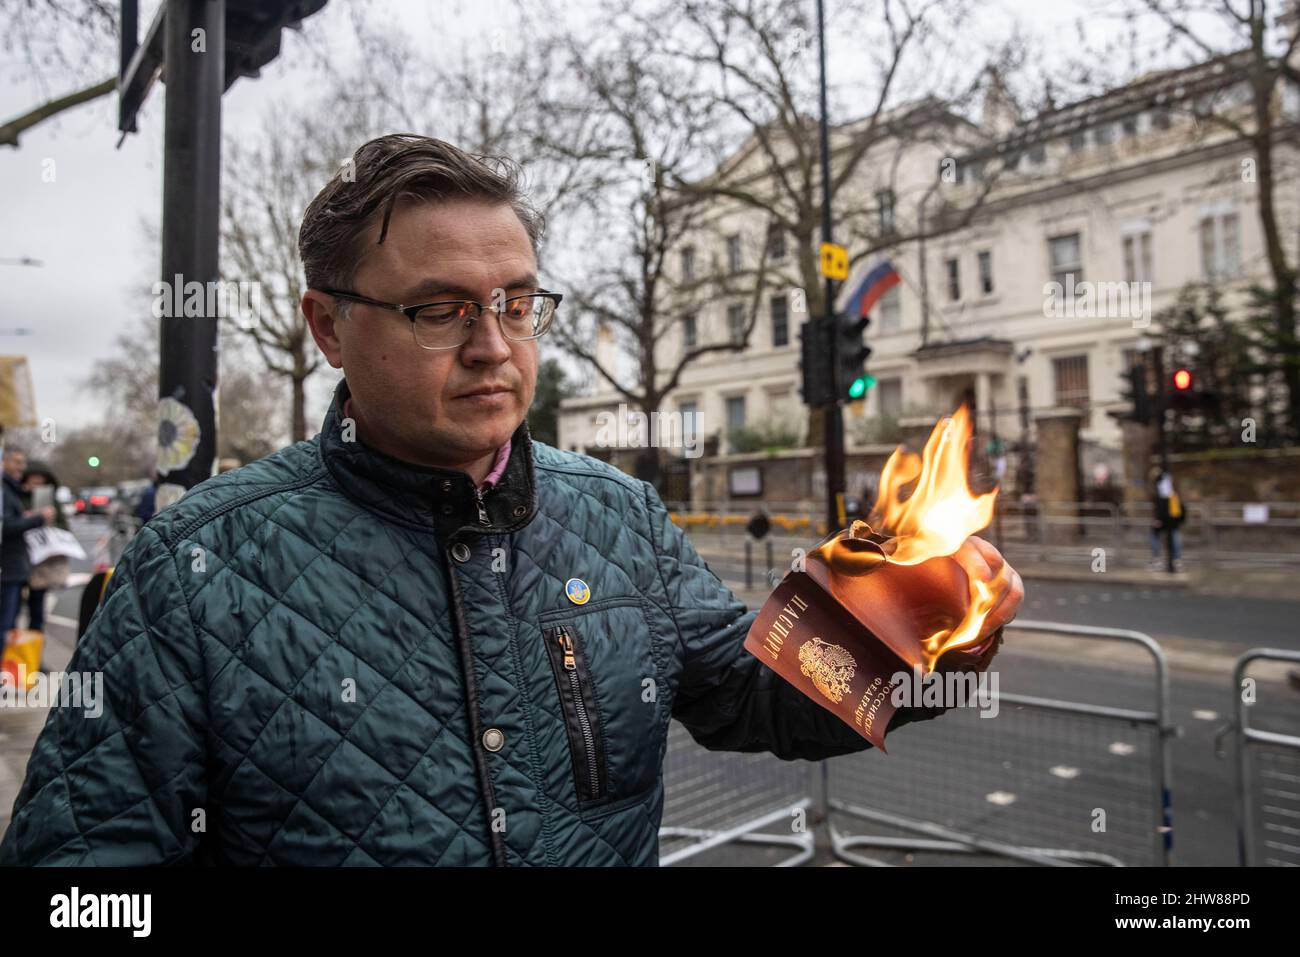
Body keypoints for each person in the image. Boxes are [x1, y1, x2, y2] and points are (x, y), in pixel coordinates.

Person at [0, 135, 1022, 866]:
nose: (494, 345)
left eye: (518, 304)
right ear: (326, 327)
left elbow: (755, 696)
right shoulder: (194, 566)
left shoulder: (619, 518)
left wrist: (929, 649)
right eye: (439, 310)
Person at [0, 447, 54, 637]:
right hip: (8, 569)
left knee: (11, 624)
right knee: (5, 626)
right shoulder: (5, 490)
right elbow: (5, 526)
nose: (21, 467)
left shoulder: (9, 489)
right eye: (16, 462)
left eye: (23, 462)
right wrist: (36, 519)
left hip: (15, 567)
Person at [20, 462, 70, 638]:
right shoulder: (16, 497)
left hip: (41, 563)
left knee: (37, 612)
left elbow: (64, 527)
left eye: (41, 482)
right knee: (11, 611)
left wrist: (51, 523)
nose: (37, 486)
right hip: (19, 560)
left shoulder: (51, 501)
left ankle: (32, 654)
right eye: (33, 482)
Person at [1149, 468, 1185, 571]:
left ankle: (1159, 560)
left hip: (1166, 519)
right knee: (1174, 536)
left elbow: (1161, 504)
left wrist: (1158, 519)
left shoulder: (1161, 487)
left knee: (1157, 536)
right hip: (1172, 519)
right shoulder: (1172, 489)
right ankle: (1176, 560)